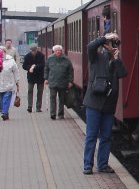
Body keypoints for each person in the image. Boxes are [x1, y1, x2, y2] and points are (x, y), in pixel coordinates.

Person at [82, 32, 127, 174]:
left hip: (108, 105)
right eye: (109, 44)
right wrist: (105, 38)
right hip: (94, 103)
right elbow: (90, 46)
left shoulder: (114, 61)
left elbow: (122, 73)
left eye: (113, 44)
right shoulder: (96, 58)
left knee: (106, 137)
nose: (111, 46)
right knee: (91, 136)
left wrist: (116, 58)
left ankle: (103, 165)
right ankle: (88, 165)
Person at [45, 44, 74, 120]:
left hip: (63, 82)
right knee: (52, 98)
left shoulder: (66, 59)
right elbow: (46, 69)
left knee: (62, 99)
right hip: (53, 81)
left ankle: (61, 114)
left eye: (59, 50)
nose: (58, 52)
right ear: (53, 51)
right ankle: (53, 113)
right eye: (56, 50)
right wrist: (46, 78)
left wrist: (70, 81)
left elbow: (71, 71)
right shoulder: (50, 59)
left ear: (61, 51)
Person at [0, 45, 23, 120]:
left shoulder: (10, 60)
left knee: (6, 99)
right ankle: (5, 112)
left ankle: (4, 113)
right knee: (1, 99)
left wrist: (17, 81)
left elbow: (16, 71)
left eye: (1, 51)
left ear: (4, 52)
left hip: (9, 84)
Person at [22, 45, 46, 113]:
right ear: (30, 50)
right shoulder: (27, 56)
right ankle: (30, 106)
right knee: (30, 90)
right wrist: (30, 67)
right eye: (32, 51)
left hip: (40, 76)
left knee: (40, 92)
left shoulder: (41, 55)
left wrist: (34, 67)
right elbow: (24, 66)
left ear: (36, 50)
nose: (33, 52)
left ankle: (38, 107)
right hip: (31, 76)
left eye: (34, 51)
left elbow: (43, 64)